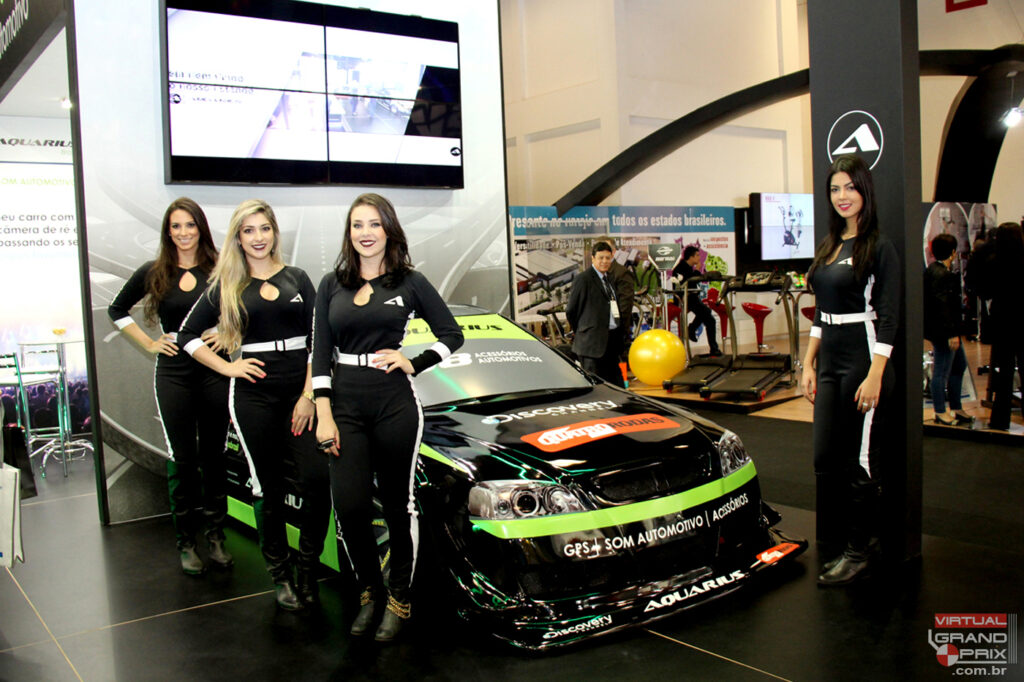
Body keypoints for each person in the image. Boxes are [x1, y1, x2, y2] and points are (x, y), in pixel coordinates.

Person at [311, 193, 463, 642]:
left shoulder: (410, 281)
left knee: (399, 506)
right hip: (344, 405)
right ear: (349, 233)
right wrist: (323, 412)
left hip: (394, 403)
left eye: (374, 224)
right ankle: (369, 592)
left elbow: (452, 334)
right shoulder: (330, 284)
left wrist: (414, 361)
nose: (366, 233)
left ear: (389, 230)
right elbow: (320, 353)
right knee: (351, 506)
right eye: (357, 225)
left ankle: (399, 597)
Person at [178, 199, 330, 610]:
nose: (258, 237)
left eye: (264, 228)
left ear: (274, 233)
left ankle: (307, 567)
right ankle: (280, 576)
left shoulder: (298, 278)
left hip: (299, 395)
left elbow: (319, 341)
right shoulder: (227, 285)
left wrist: (308, 395)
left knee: (318, 480)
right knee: (269, 487)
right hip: (253, 397)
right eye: (249, 230)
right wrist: (228, 368)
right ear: (238, 238)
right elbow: (187, 336)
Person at [107, 198, 231, 575]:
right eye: (176, 226)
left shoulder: (221, 269)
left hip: (213, 369)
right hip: (174, 373)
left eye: (190, 225)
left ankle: (216, 536)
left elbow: (245, 310)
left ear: (201, 228)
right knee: (183, 457)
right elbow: (116, 309)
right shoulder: (154, 271)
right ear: (167, 232)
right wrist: (149, 343)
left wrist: (229, 334)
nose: (183, 233)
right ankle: (186, 541)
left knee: (214, 455)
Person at [799, 154, 899, 586]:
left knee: (861, 459)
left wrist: (876, 374)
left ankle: (860, 551)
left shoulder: (878, 246)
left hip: (863, 358)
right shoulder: (829, 244)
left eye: (850, 187)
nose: (842, 196)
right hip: (829, 362)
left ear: (864, 191)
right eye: (835, 189)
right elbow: (822, 312)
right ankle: (854, 539)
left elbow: (889, 318)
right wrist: (808, 363)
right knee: (827, 456)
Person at [923, 233, 972, 426]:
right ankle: (940, 411)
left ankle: (956, 407)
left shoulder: (934, 271)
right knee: (941, 371)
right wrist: (951, 333)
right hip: (944, 332)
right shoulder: (941, 275)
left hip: (946, 330)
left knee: (959, 365)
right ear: (952, 252)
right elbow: (943, 306)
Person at [565, 241, 626, 385]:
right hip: (591, 345)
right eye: (601, 258)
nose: (604, 261)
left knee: (617, 387)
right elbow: (571, 310)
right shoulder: (583, 279)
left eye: (607, 258)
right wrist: (583, 330)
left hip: (610, 343)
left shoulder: (609, 279)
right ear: (593, 258)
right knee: (596, 388)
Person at [982, 223, 1024, 429]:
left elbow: (985, 291)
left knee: (1004, 373)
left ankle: (1000, 419)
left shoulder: (993, 262)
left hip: (1002, 321)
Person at [672, 245, 722, 356]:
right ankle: (713, 348)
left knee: (707, 313)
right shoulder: (681, 268)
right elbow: (690, 281)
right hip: (684, 299)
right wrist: (698, 270)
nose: (699, 258)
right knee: (710, 319)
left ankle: (692, 328)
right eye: (697, 255)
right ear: (691, 257)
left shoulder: (688, 267)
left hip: (692, 297)